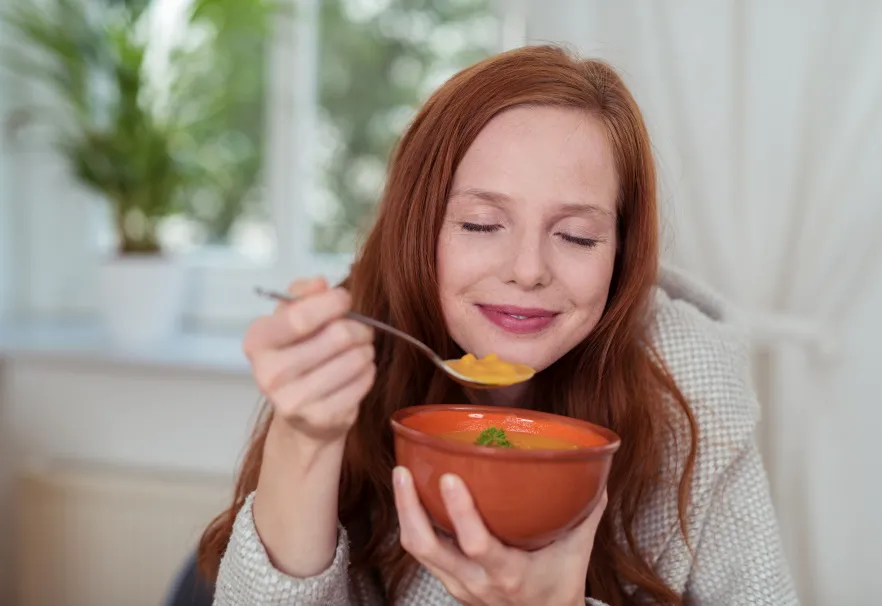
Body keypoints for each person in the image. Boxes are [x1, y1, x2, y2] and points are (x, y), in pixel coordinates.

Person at [198, 45, 798, 605]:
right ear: (419, 226)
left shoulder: (690, 387)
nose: (529, 270)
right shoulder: (346, 358)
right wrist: (307, 438)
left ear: (621, 250)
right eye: (483, 224)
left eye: (576, 236)